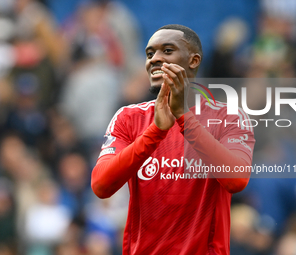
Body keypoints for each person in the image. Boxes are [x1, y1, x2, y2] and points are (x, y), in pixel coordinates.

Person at [91, 24, 255, 255]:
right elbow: (101, 185)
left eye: (167, 51)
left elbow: (236, 179)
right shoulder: (128, 118)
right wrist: (155, 131)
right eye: (150, 54)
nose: (155, 59)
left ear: (194, 60)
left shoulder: (227, 117)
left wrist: (184, 118)